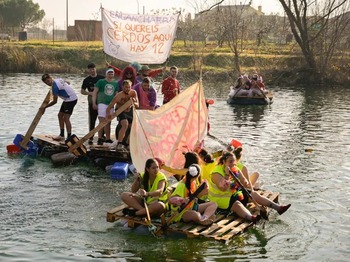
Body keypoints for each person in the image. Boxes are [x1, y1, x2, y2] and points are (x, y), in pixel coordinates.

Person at [208, 151, 291, 222]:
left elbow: (245, 182)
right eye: (230, 162)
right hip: (221, 200)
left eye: (234, 161)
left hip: (235, 194)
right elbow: (223, 188)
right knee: (237, 204)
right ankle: (251, 218)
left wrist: (245, 182)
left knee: (253, 194)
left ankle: (279, 208)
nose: (233, 164)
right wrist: (227, 174)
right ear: (224, 162)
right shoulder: (216, 173)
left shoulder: (235, 168)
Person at [41, 73, 78, 141]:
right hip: (67, 99)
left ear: (50, 78)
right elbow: (68, 82)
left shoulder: (55, 87)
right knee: (60, 115)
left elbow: (55, 101)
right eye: (46, 82)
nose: (47, 83)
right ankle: (61, 135)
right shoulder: (58, 79)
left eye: (48, 81)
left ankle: (69, 137)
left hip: (71, 99)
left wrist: (45, 107)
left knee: (66, 118)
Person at [106, 79, 139, 150]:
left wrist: (133, 102)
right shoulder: (118, 96)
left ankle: (127, 143)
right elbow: (109, 107)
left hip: (130, 111)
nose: (127, 89)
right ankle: (119, 143)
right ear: (122, 87)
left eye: (129, 87)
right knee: (125, 124)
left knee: (132, 127)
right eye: (126, 87)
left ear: (131, 87)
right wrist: (108, 114)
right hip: (120, 111)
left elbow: (137, 105)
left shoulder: (133, 93)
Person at [92, 68, 119, 145]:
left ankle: (107, 138)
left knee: (108, 122)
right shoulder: (101, 82)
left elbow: (116, 95)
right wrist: (94, 103)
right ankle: (100, 138)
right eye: (109, 74)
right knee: (102, 121)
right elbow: (95, 92)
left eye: (112, 74)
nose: (110, 76)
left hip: (110, 104)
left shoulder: (115, 83)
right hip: (102, 103)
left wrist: (116, 104)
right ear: (106, 74)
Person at [80, 63, 105, 144]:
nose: (92, 71)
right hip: (91, 100)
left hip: (101, 100)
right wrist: (89, 93)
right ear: (88, 70)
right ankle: (91, 136)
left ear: (95, 69)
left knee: (102, 118)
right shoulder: (86, 80)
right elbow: (82, 91)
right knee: (92, 119)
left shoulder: (101, 78)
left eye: (93, 69)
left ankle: (102, 136)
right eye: (90, 69)